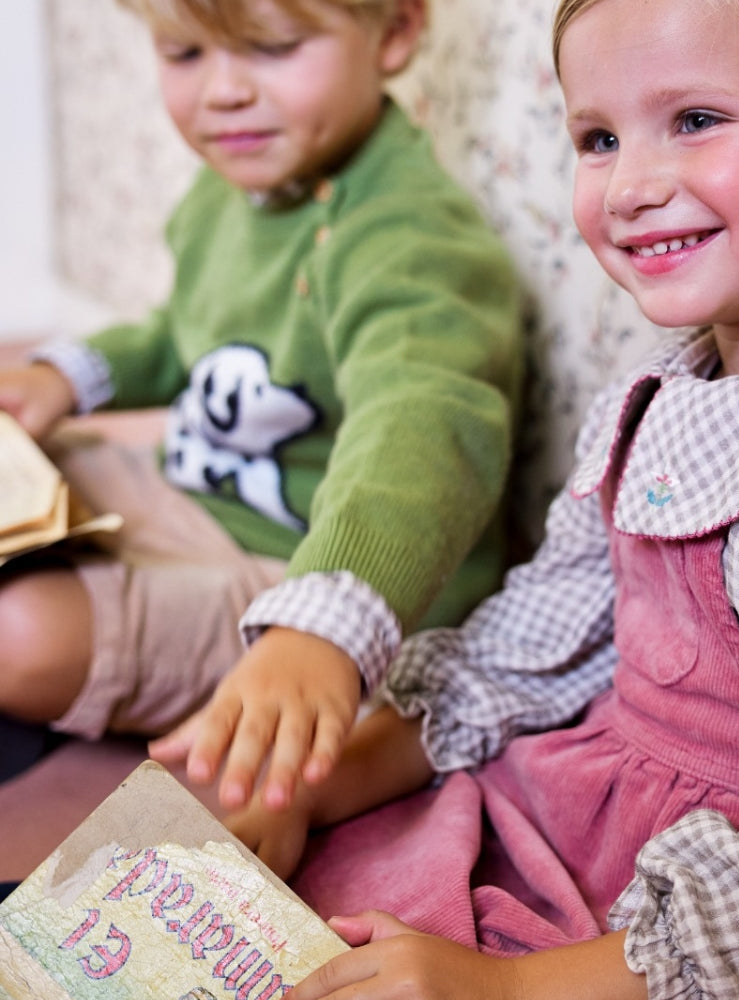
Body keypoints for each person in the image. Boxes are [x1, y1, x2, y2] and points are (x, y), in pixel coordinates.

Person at [223, 0, 739, 996]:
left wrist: (498, 989)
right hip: (580, 812)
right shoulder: (660, 401)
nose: (630, 186)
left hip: (724, 932)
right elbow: (526, 651)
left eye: (694, 120)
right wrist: (312, 787)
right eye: (597, 137)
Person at [0, 0, 523, 811]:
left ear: (393, 35)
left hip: (308, 570)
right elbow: (187, 336)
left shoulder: (410, 238)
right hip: (196, 493)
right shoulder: (231, 190)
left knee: (21, 634)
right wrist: (70, 378)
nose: (223, 93)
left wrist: (324, 619)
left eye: (271, 49)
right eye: (183, 54)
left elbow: (423, 425)